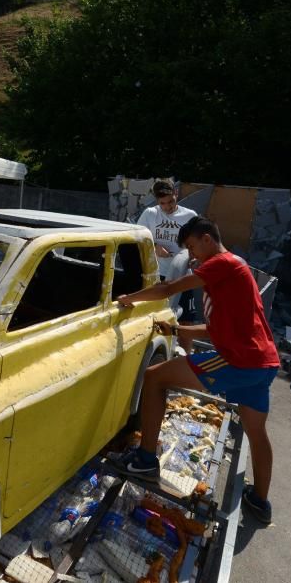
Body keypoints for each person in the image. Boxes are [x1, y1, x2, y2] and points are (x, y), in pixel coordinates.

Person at [115, 217, 280, 524]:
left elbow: (169, 287)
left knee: (155, 377)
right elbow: (222, 328)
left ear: (207, 239)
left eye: (192, 247)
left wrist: (129, 299)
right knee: (256, 432)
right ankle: (260, 502)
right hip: (262, 363)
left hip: (239, 361)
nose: (191, 256)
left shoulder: (222, 263)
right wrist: (182, 330)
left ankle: (146, 460)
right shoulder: (234, 270)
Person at [136, 181, 198, 322]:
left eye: (170, 202)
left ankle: (183, 345)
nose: (167, 207)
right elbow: (137, 239)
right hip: (157, 276)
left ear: (176, 193)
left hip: (183, 275)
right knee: (156, 318)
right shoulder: (150, 214)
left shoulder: (190, 216)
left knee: (186, 320)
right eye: (162, 203)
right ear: (157, 201)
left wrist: (195, 257)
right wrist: (155, 246)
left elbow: (198, 242)